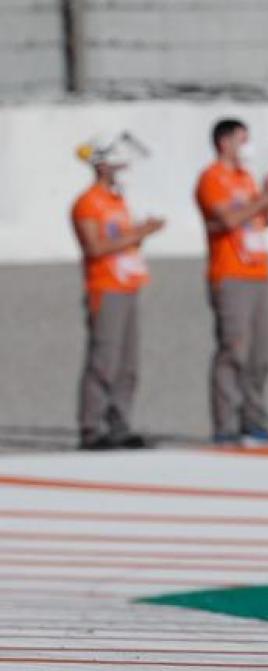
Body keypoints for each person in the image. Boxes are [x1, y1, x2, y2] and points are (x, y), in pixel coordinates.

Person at [195, 118, 268, 445]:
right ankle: (225, 425)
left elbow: (263, 218)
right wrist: (267, 195)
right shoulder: (212, 179)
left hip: (258, 272)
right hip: (230, 274)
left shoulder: (245, 178)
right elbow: (229, 218)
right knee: (233, 350)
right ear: (224, 142)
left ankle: (253, 420)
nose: (247, 146)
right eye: (242, 139)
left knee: (260, 354)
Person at [70, 132, 165, 450]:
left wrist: (141, 232)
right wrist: (139, 232)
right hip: (105, 287)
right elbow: (96, 246)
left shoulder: (116, 200)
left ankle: (119, 424)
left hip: (127, 286)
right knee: (104, 359)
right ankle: (91, 428)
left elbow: (122, 240)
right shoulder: (87, 203)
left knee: (127, 362)